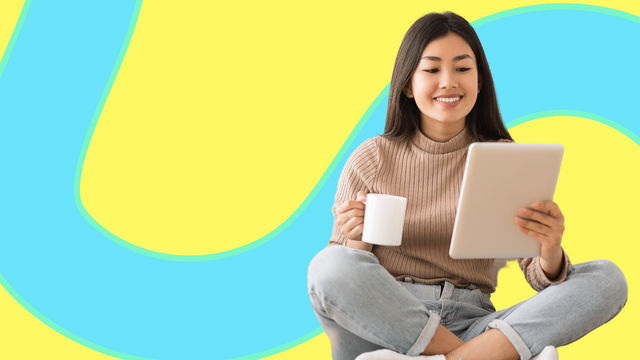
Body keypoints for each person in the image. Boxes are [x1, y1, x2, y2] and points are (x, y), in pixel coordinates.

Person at [307, 11, 627, 360]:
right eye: (431, 70)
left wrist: (549, 251)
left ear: (479, 82)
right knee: (327, 265)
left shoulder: (504, 159)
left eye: (462, 69)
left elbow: (539, 278)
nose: (448, 81)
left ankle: (463, 354)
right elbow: (343, 279)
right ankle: (479, 356)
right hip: (387, 327)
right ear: (406, 85)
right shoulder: (372, 157)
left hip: (473, 319)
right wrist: (357, 237)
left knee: (608, 280)